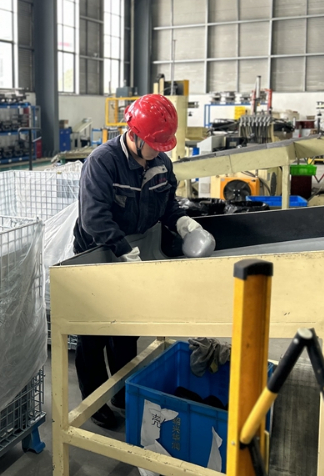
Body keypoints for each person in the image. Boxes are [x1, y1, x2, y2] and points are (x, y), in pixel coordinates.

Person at [72, 93, 215, 430]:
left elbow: (167, 205)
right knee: (93, 333)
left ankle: (122, 391)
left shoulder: (161, 163)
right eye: (155, 144)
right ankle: (94, 401)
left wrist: (183, 223)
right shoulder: (102, 162)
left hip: (133, 252)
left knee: (126, 330)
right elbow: (94, 218)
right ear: (134, 135)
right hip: (97, 252)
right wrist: (124, 250)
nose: (160, 151)